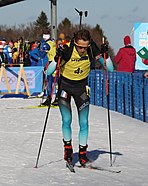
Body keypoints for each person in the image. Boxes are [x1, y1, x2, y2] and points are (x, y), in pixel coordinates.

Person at [55, 29, 109, 166]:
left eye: (85, 47)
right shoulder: (68, 50)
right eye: (79, 47)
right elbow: (49, 71)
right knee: (67, 119)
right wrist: (57, 58)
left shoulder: (91, 50)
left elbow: (110, 68)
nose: (82, 50)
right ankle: (68, 149)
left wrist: (105, 55)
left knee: (84, 122)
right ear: (75, 43)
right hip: (65, 87)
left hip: (81, 89)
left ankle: (83, 153)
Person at [41, 34, 57, 106]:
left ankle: (49, 99)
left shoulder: (47, 44)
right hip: (56, 62)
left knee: (49, 81)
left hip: (52, 63)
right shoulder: (53, 43)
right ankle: (56, 98)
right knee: (56, 81)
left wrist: (40, 49)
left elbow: (42, 54)